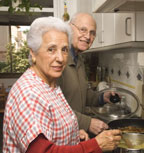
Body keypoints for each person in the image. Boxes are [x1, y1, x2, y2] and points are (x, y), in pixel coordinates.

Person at [3, 16, 121, 153]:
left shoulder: (50, 84)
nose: (60, 58)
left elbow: (53, 126)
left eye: (64, 49)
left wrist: (73, 136)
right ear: (33, 53)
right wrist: (96, 145)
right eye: (51, 49)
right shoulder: (28, 93)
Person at [58, 13, 114, 135]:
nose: (88, 36)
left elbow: (80, 92)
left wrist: (101, 97)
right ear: (69, 28)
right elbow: (54, 108)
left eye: (92, 33)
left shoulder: (79, 59)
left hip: (75, 134)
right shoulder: (58, 61)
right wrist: (87, 123)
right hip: (62, 137)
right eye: (82, 29)